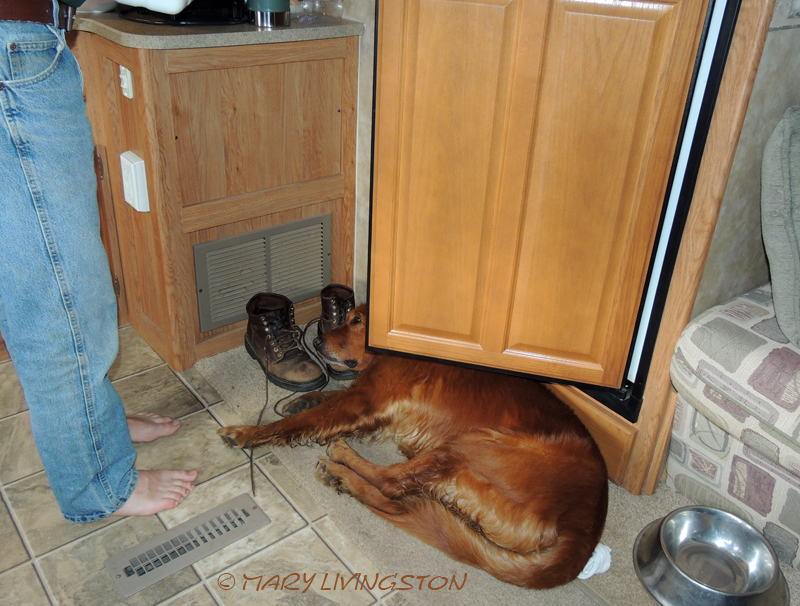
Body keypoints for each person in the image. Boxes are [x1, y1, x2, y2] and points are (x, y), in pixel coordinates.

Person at [0, 0, 197, 523]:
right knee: (61, 305)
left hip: (19, 50)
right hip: (11, 58)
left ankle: (91, 429)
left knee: (42, 285)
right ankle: (99, 486)